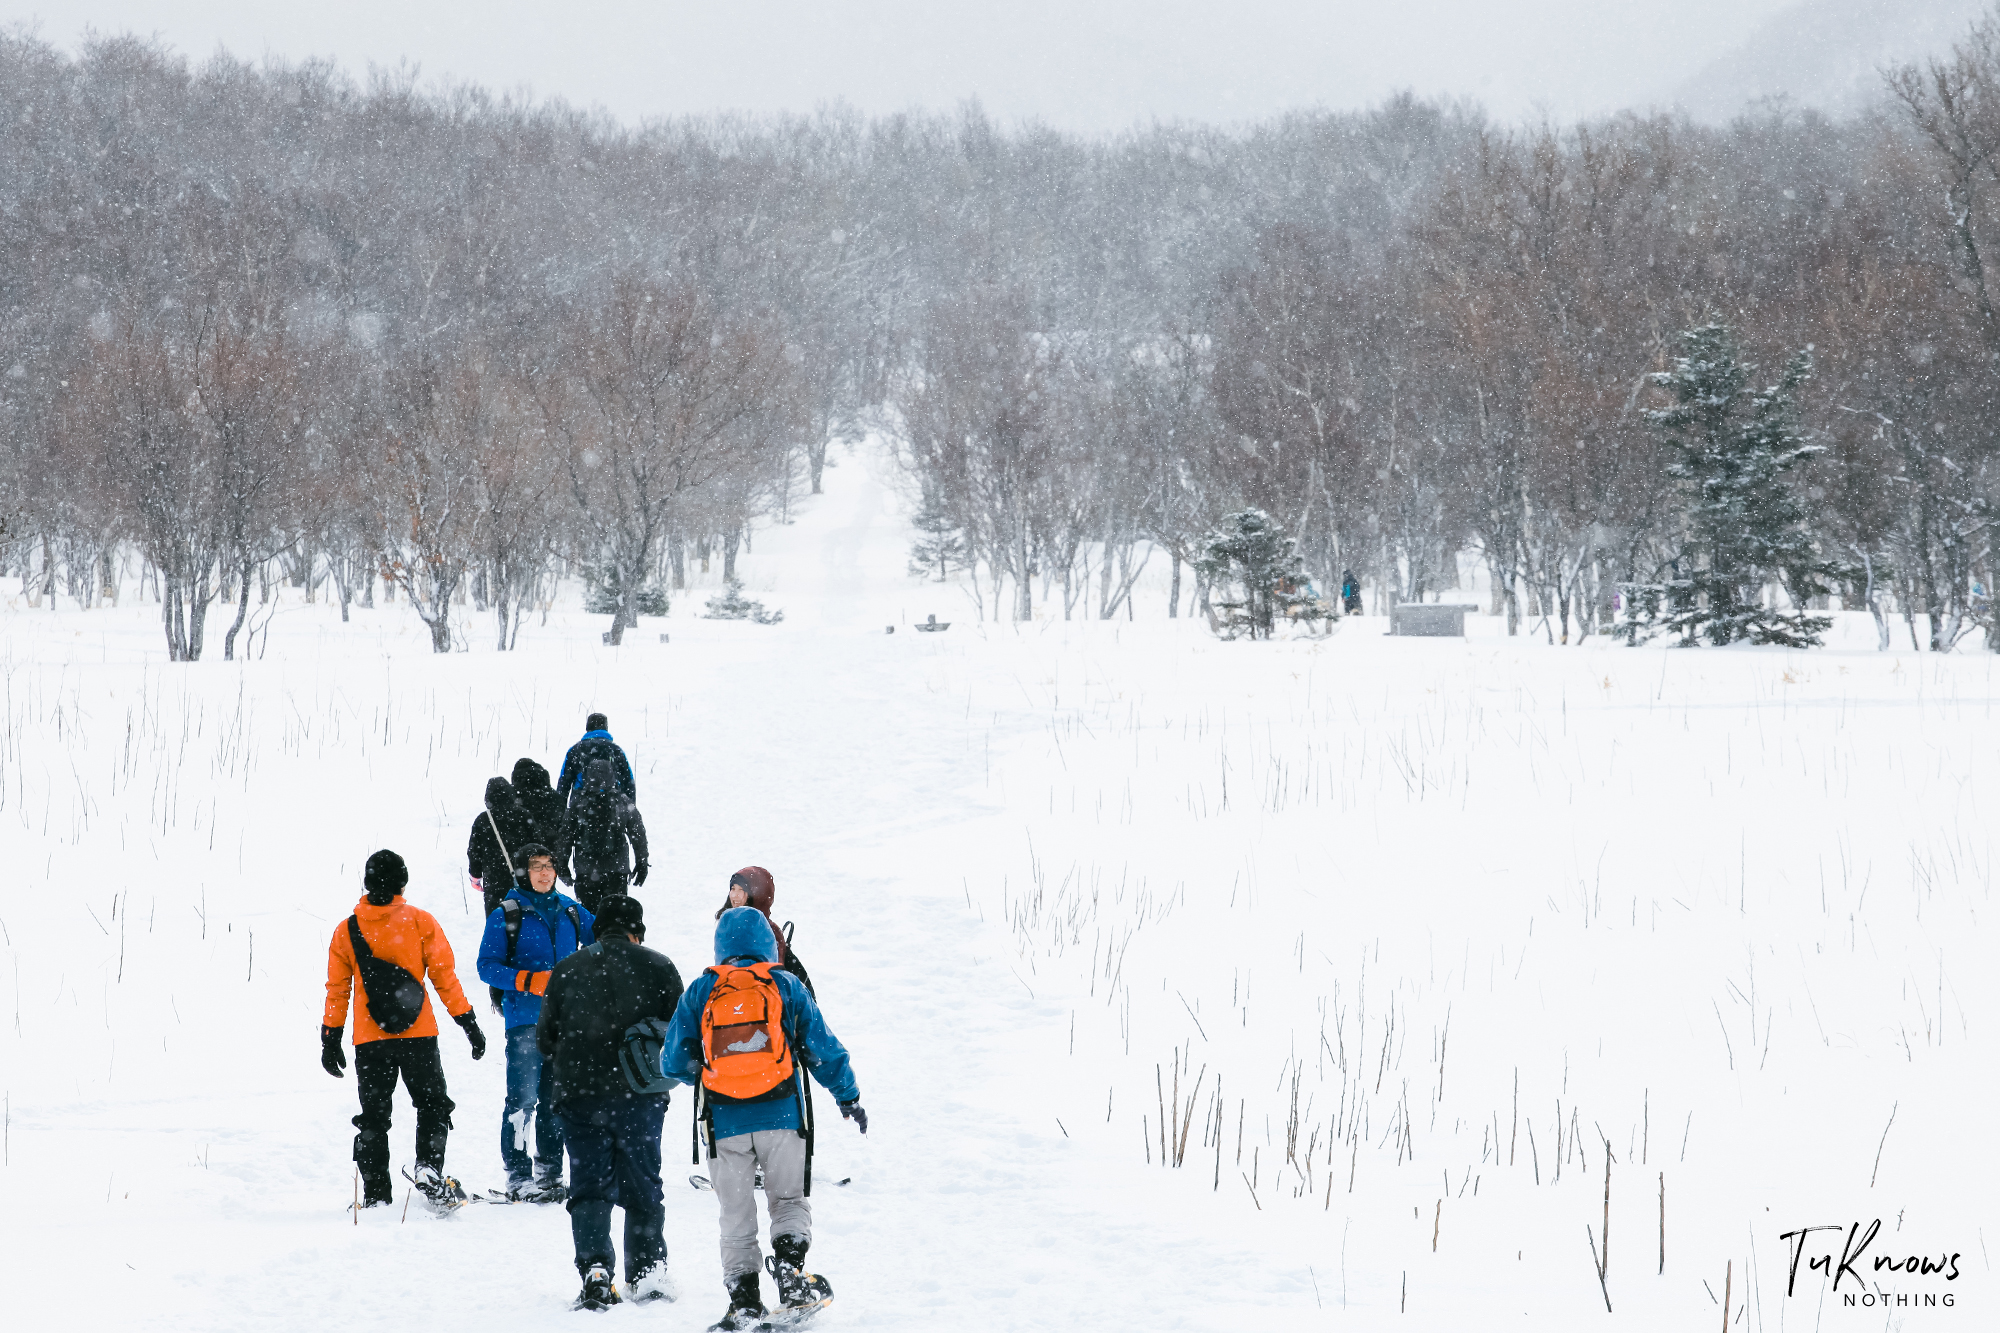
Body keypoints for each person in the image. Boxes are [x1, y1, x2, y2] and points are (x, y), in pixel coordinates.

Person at [663, 907, 865, 1330]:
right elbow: (822, 1048)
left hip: (724, 1122)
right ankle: (792, 1277)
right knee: (788, 1200)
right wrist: (847, 1096)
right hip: (783, 1114)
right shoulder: (785, 984)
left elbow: (671, 1062)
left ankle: (743, 1302)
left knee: (735, 1212)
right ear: (768, 944)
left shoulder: (702, 989)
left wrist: (703, 1073)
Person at [538, 895, 685, 1310]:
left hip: (579, 1097)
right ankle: (648, 1274)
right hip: (640, 1097)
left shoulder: (566, 969)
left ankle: (596, 1272)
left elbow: (544, 1039)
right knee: (642, 1184)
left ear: (597, 929)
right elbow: (682, 1033)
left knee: (588, 1186)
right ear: (637, 928)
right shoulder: (659, 965)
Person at [321, 848, 486, 1214]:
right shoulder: (420, 921)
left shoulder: (346, 930)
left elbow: (338, 990)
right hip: (419, 1035)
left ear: (365, 883)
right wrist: (468, 1022)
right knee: (432, 1105)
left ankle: (377, 1196)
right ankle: (428, 1167)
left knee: (373, 1119)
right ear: (403, 882)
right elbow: (444, 978)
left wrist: (330, 1038)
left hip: (370, 1039)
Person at [475, 842, 594, 1202]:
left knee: (556, 1100)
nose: (544, 873)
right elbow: (486, 966)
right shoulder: (507, 913)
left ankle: (550, 1173)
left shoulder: (572, 911)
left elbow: (606, 937)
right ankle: (518, 1175)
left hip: (565, 1021)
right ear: (522, 872)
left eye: (550, 866)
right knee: (522, 1100)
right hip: (525, 1021)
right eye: (536, 866)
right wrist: (528, 980)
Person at [558, 758, 651, 916]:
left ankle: (593, 940)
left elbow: (566, 836)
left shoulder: (578, 803)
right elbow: (637, 834)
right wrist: (642, 862)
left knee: (589, 918)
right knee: (616, 916)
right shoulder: (622, 801)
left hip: (585, 870)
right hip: (617, 870)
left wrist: (562, 865)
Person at [715, 866, 812, 996]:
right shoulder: (726, 927)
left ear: (758, 896)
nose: (735, 895)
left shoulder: (770, 933)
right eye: (733, 889)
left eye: (742, 890)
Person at [467, 776, 537, 917]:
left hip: (495, 881)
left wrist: (475, 876)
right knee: (527, 923)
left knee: (497, 923)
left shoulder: (483, 819)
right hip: (524, 879)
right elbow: (537, 846)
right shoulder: (524, 815)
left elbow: (474, 852)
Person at [558, 712, 637, 808]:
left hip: (580, 808)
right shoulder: (616, 750)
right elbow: (628, 782)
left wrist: (560, 812)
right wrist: (630, 811)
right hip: (612, 807)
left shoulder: (575, 750)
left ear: (587, 728)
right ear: (606, 728)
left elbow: (564, 783)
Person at [511, 757, 567, 860]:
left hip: (520, 852)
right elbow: (563, 825)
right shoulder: (554, 796)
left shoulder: (512, 796)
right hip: (549, 851)